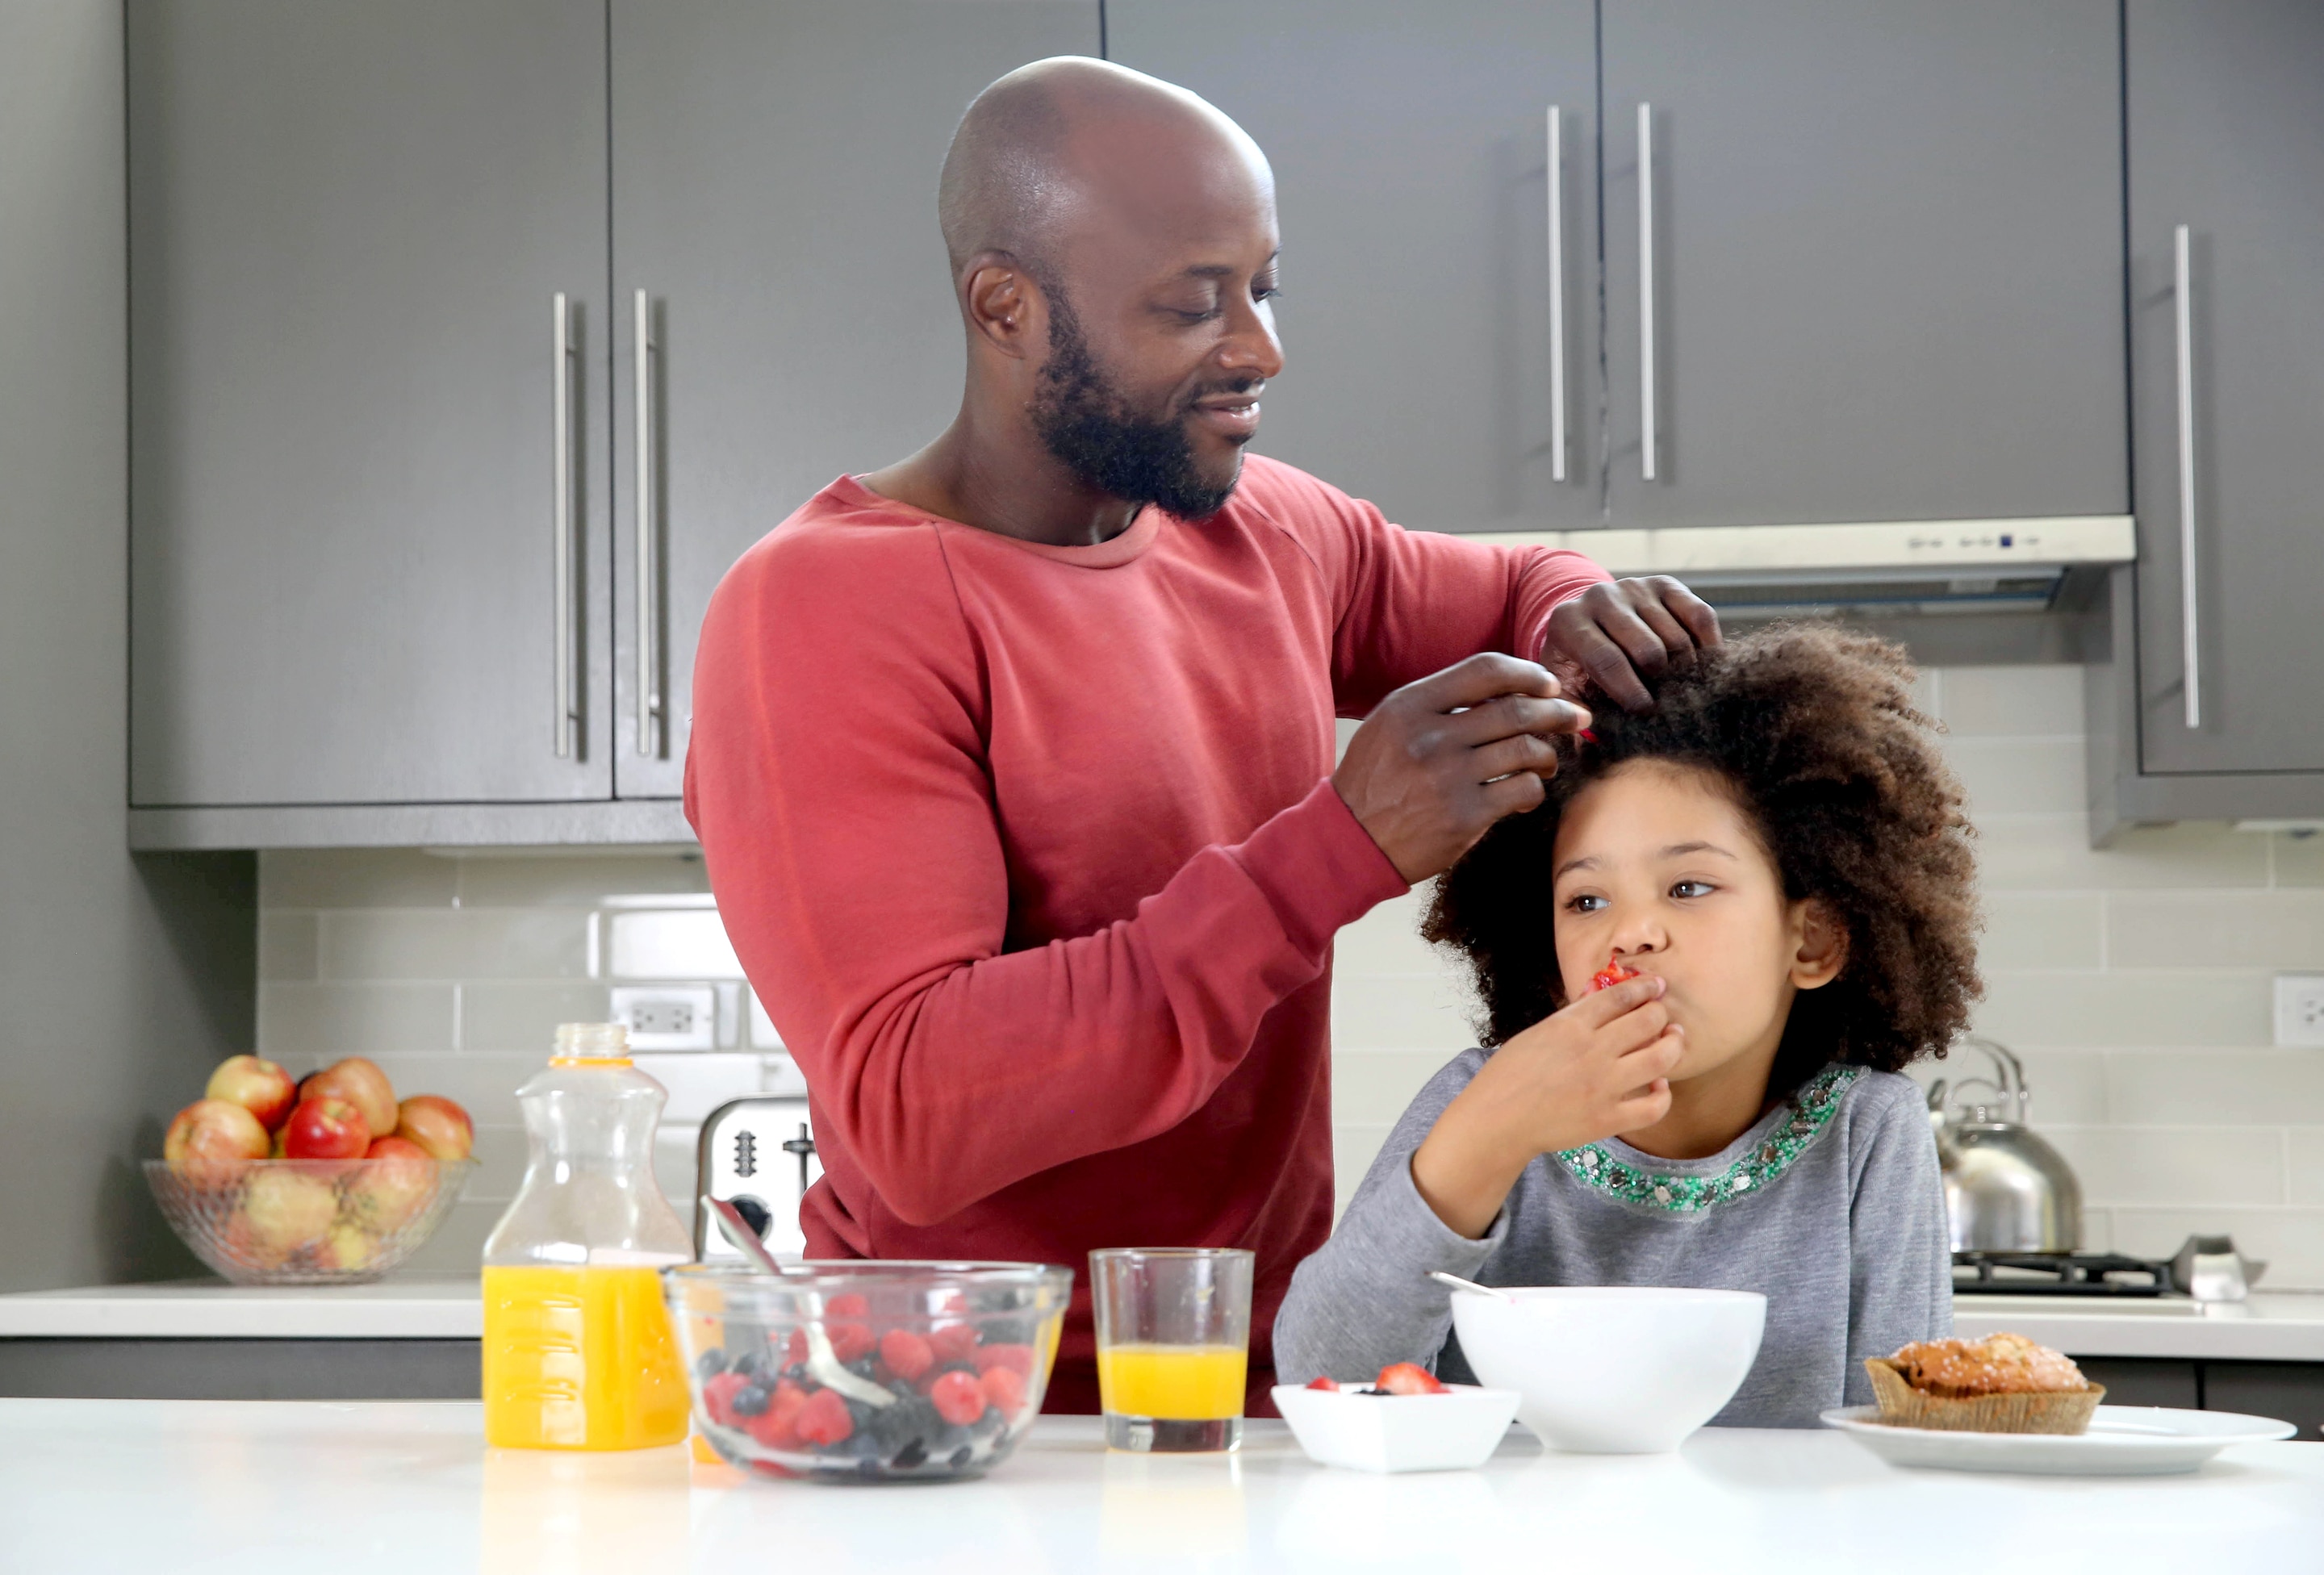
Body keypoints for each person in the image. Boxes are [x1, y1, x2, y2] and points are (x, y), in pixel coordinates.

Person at [684, 56, 1720, 1415]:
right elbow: (913, 1108)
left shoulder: (1266, 528)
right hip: (966, 1411)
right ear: (1007, 306)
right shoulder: (821, 608)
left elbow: (1518, 579)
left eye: (1262, 287)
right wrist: (1337, 849)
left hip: (1269, 1389)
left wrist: (1580, 603)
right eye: (1192, 304)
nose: (1259, 349)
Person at [1273, 625, 1976, 1425]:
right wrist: (1488, 1138)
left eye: (1688, 886)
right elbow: (1320, 1376)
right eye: (1587, 900)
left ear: (1810, 940)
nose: (1632, 931)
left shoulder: (1869, 1131)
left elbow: (1901, 1432)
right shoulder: (1482, 1096)